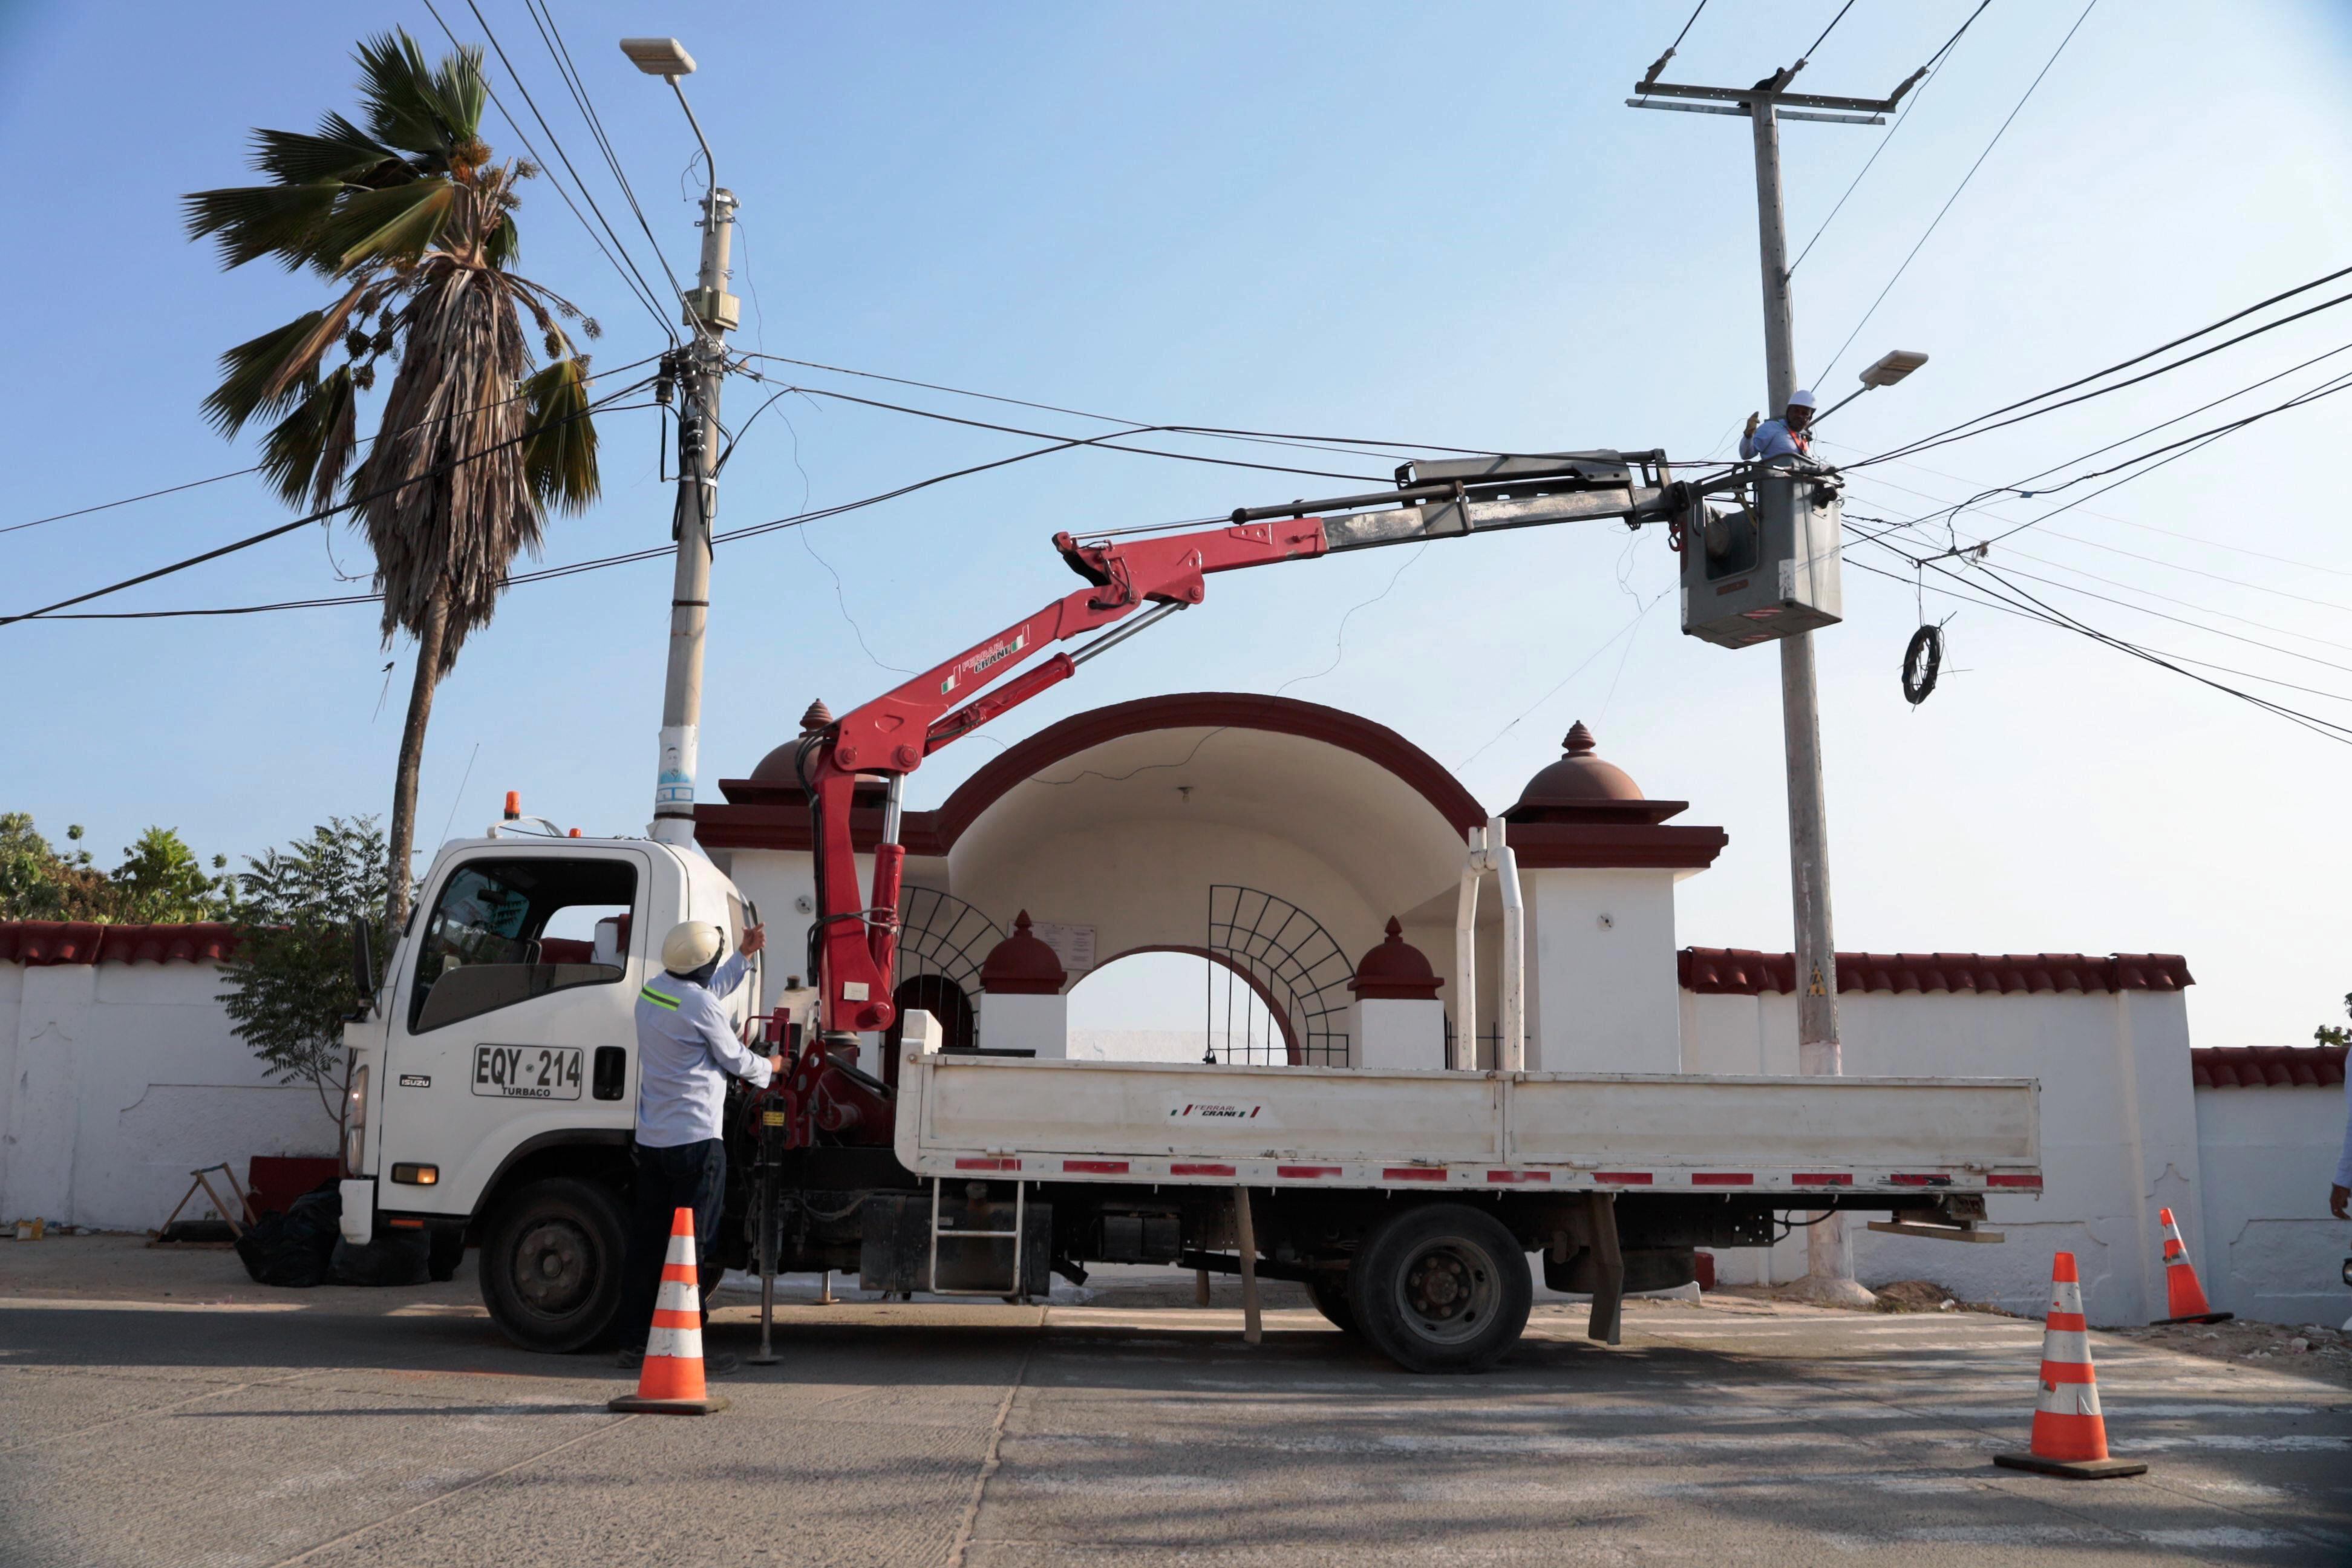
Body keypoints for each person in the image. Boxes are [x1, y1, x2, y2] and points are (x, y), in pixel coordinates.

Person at [616, 918, 779, 1372]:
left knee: (649, 1245)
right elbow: (735, 1059)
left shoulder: (652, 993)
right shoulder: (700, 1006)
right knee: (693, 1249)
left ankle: (633, 1342)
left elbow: (700, 997)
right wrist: (773, 1067)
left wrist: (742, 958)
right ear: (704, 966)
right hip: (697, 1144)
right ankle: (689, 1350)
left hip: (653, 1143)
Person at [1740, 388, 1817, 465]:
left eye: (1804, 414)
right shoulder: (1771, 428)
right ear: (1788, 411)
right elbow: (1746, 454)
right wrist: (1748, 436)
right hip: (1775, 476)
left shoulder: (1804, 439)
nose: (1799, 416)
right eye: (1796, 411)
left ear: (1809, 419)